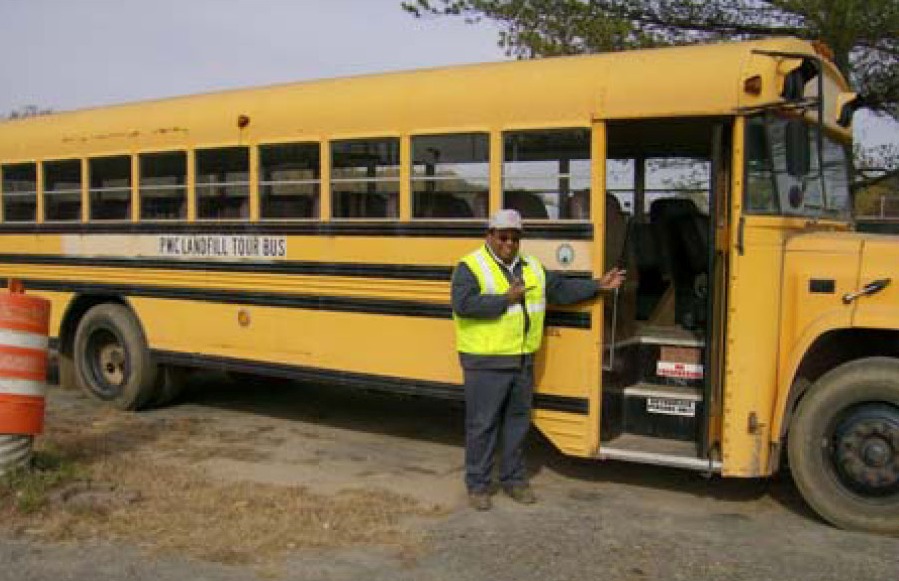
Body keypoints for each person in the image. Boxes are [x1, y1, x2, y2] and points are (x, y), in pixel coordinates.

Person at [451, 208, 625, 511]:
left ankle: (514, 480)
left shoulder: (531, 267)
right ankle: (478, 485)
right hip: (486, 361)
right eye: (503, 236)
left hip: (521, 360)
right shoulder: (470, 266)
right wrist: (504, 300)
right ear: (489, 236)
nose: (509, 243)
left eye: (515, 238)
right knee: (483, 425)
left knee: (518, 424)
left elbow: (560, 289)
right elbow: (463, 305)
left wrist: (598, 285)